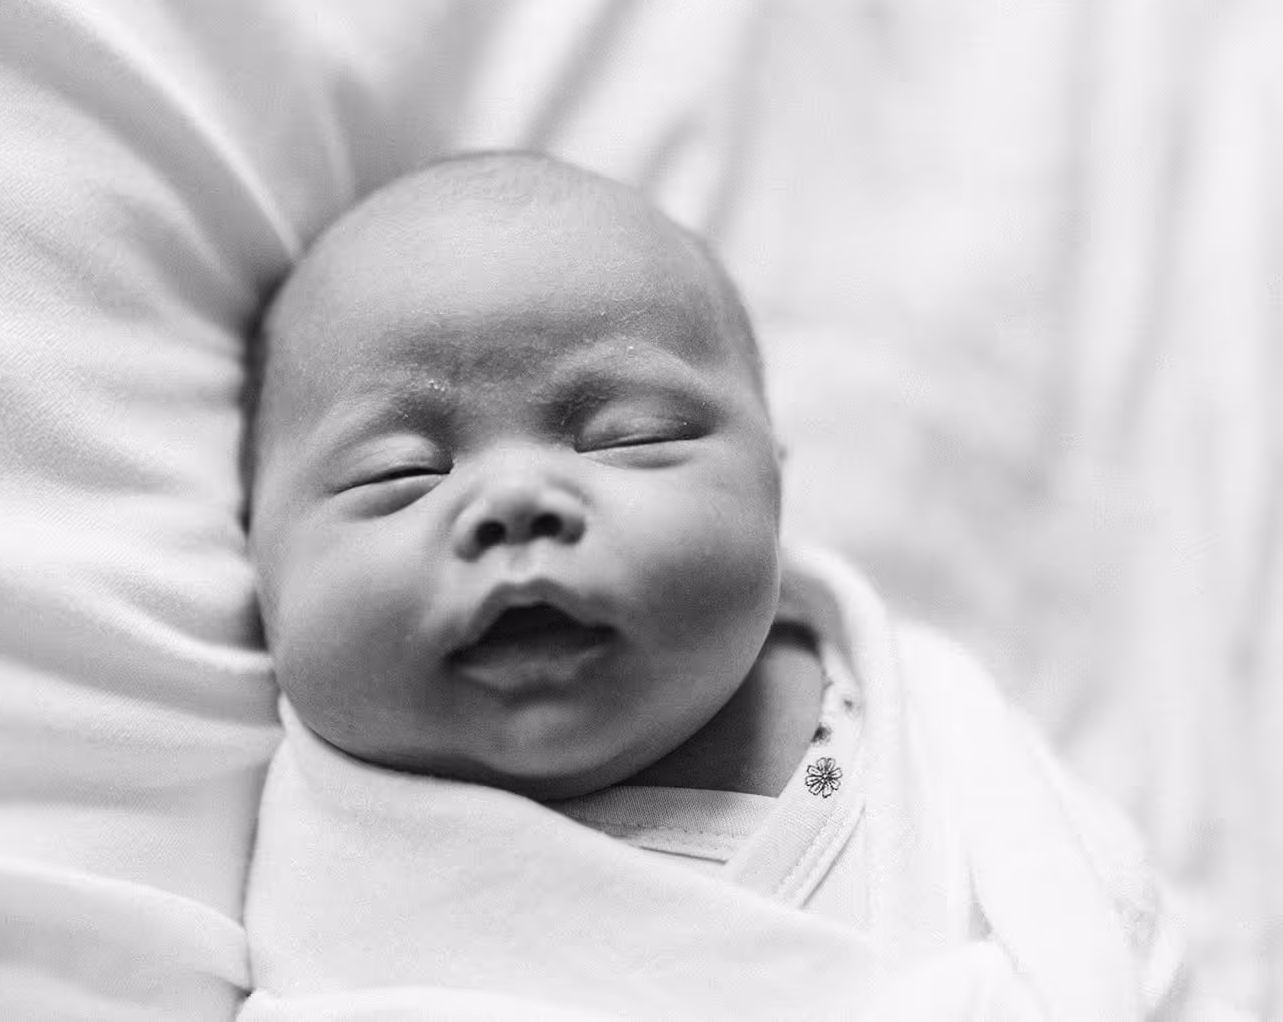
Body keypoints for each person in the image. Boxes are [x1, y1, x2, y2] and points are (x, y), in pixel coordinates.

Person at [237, 152, 1220, 1020]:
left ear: (773, 480)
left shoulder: (924, 719)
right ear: (256, 553)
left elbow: (1109, 938)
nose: (515, 499)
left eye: (631, 438)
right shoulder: (352, 909)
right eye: (397, 473)